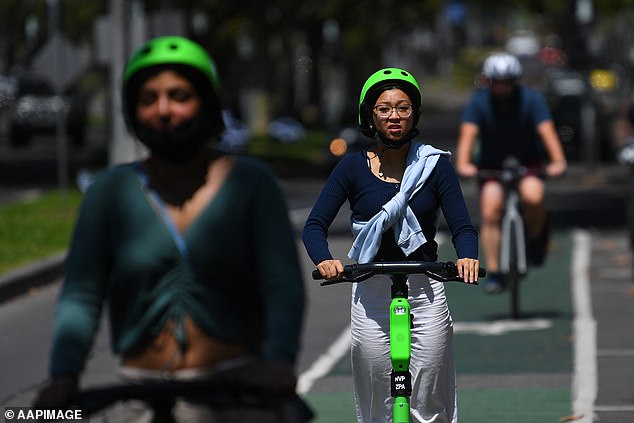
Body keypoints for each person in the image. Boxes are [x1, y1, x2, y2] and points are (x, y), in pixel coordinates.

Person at [34, 35, 306, 422]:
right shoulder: (110, 193)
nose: (163, 110)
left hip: (236, 392)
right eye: (148, 99)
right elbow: (82, 293)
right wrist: (64, 373)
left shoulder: (251, 184)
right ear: (131, 111)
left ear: (207, 105)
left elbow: (282, 285)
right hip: (140, 394)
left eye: (179, 96)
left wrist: (280, 360)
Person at [302, 67, 480, 423]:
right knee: (377, 405)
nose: (394, 116)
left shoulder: (434, 166)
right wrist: (325, 261)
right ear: (369, 116)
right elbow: (314, 226)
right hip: (371, 292)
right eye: (384, 109)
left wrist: (467, 258)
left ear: (414, 113)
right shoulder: (352, 167)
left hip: (425, 289)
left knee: (429, 404)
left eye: (403, 108)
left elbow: (462, 227)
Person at [455, 52, 567, 294]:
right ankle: (495, 272)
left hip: (528, 164)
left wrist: (557, 161)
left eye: (508, 82)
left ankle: (535, 238)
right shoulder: (478, 102)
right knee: (490, 209)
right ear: (489, 81)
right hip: (492, 168)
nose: (503, 87)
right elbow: (467, 136)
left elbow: (547, 132)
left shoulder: (532, 100)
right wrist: (464, 164)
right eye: (497, 82)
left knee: (534, 196)